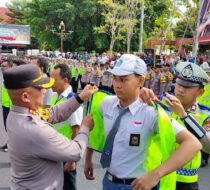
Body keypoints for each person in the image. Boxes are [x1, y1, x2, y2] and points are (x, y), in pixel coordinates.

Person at [84, 54, 202, 190]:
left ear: (140, 81)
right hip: (109, 181)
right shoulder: (106, 103)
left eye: (123, 80)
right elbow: (96, 130)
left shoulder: (151, 112)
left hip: (136, 185)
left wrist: (156, 174)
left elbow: (193, 144)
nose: (117, 85)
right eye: (115, 79)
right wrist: (88, 159)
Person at [3, 64, 97, 190]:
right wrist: (85, 128)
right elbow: (76, 152)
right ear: (25, 96)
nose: (44, 90)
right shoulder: (35, 130)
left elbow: (52, 113)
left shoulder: (17, 114)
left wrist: (79, 98)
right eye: (40, 87)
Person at [158, 62, 210, 190]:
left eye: (187, 87)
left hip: (185, 181)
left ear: (200, 92)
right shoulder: (161, 105)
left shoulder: (205, 114)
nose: (180, 90)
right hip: (158, 174)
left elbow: (208, 147)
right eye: (179, 84)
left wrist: (184, 116)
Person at [49, 63, 84, 190]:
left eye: (54, 79)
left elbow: (76, 130)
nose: (50, 82)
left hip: (65, 153)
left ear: (65, 80)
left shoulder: (72, 100)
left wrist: (71, 160)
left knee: (68, 186)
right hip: (54, 150)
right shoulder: (56, 96)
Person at [0, 59, 13, 152]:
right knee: (7, 126)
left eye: (4, 66)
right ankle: (9, 142)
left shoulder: (12, 78)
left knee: (11, 127)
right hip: (5, 105)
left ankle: (11, 145)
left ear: (10, 67)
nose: (2, 68)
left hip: (11, 107)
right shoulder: (7, 77)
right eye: (1, 66)